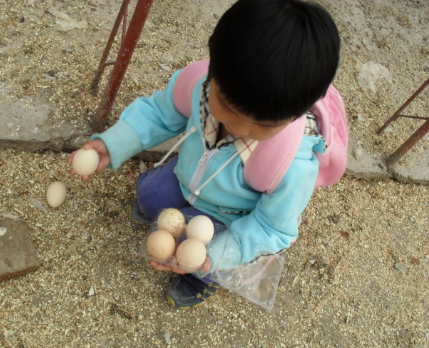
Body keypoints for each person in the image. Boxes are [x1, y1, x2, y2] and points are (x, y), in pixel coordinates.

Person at [69, 0, 342, 309]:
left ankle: (202, 279)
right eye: (226, 105)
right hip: (188, 176)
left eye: (263, 124)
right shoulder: (200, 86)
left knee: (201, 256)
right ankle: (174, 220)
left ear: (294, 115)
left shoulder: (291, 164)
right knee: (148, 193)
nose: (238, 126)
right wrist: (113, 144)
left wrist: (214, 255)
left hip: (229, 218)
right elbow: (160, 113)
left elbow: (271, 227)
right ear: (213, 68)